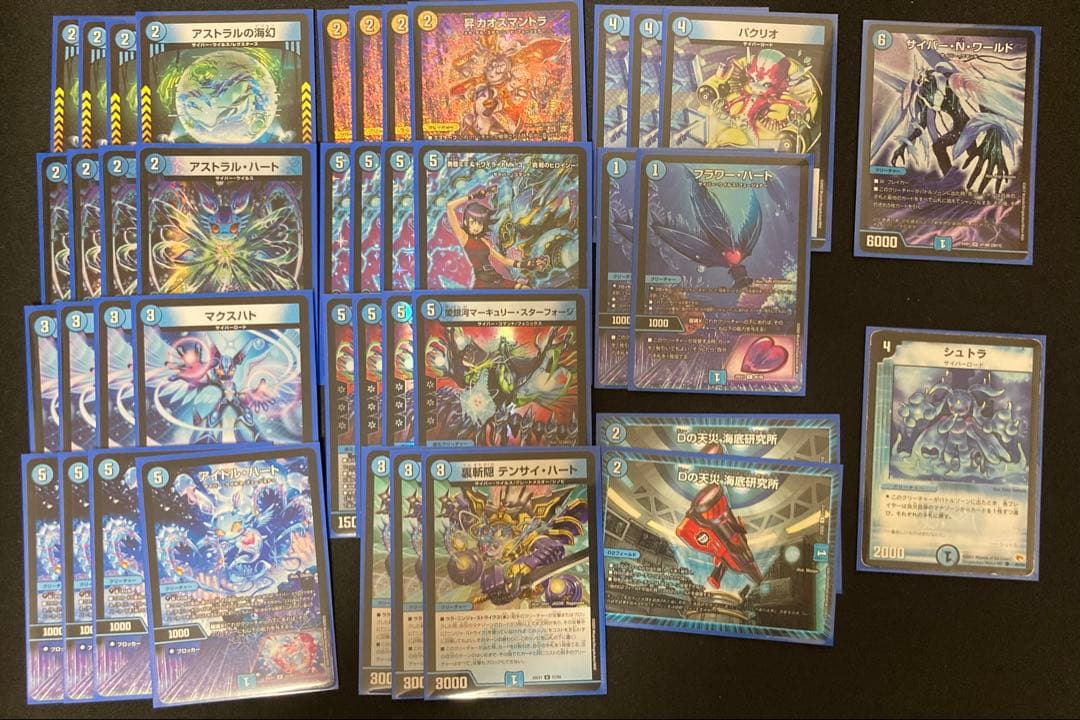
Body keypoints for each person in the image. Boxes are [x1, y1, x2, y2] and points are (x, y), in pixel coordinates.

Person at [446, 185, 547, 288]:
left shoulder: (483, 241)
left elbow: (504, 260)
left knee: (525, 289)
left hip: (496, 277)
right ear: (466, 222)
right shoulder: (464, 237)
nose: (476, 227)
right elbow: (450, 206)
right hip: (482, 282)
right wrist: (474, 196)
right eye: (472, 222)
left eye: (480, 223)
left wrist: (526, 264)